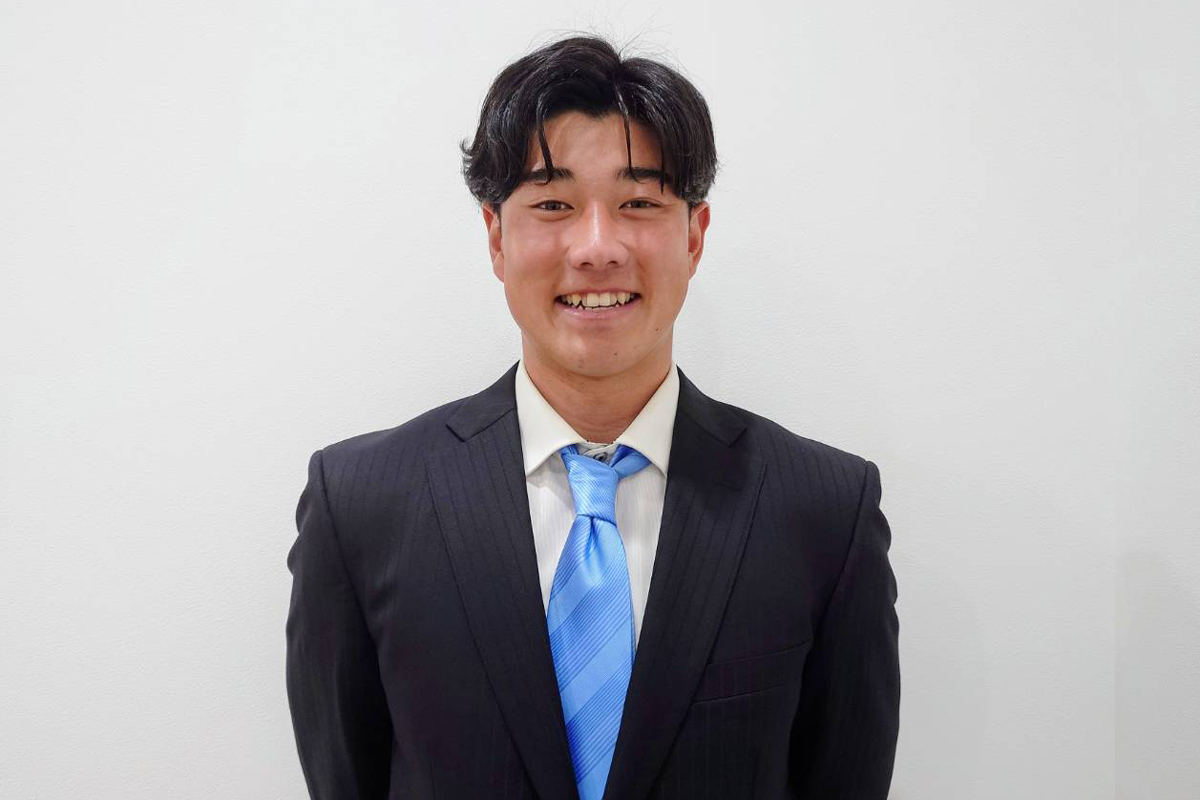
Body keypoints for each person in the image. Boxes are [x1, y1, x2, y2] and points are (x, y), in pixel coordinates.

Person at [285, 34, 899, 800]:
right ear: (496, 238)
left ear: (694, 235)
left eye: (639, 203)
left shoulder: (824, 513)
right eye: (553, 204)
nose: (597, 247)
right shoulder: (362, 506)